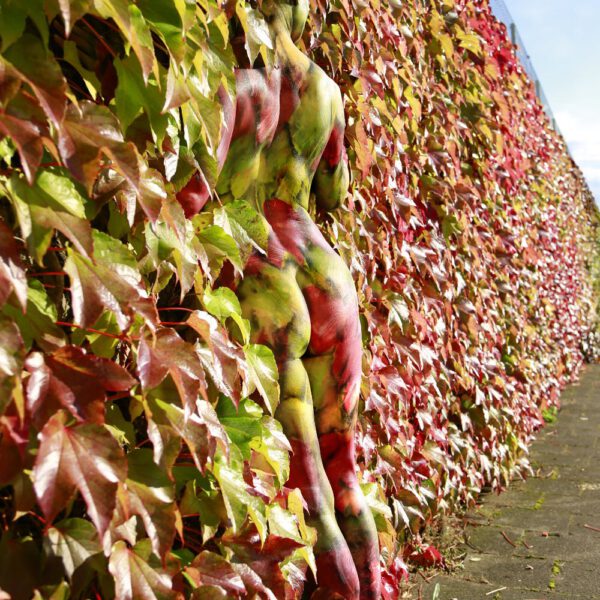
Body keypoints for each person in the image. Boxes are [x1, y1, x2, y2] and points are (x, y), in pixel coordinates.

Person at [214, 1, 381, 597]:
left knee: (310, 494)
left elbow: (192, 196)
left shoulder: (238, 84)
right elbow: (336, 191)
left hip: (267, 278)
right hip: (327, 276)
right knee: (345, 471)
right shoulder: (328, 93)